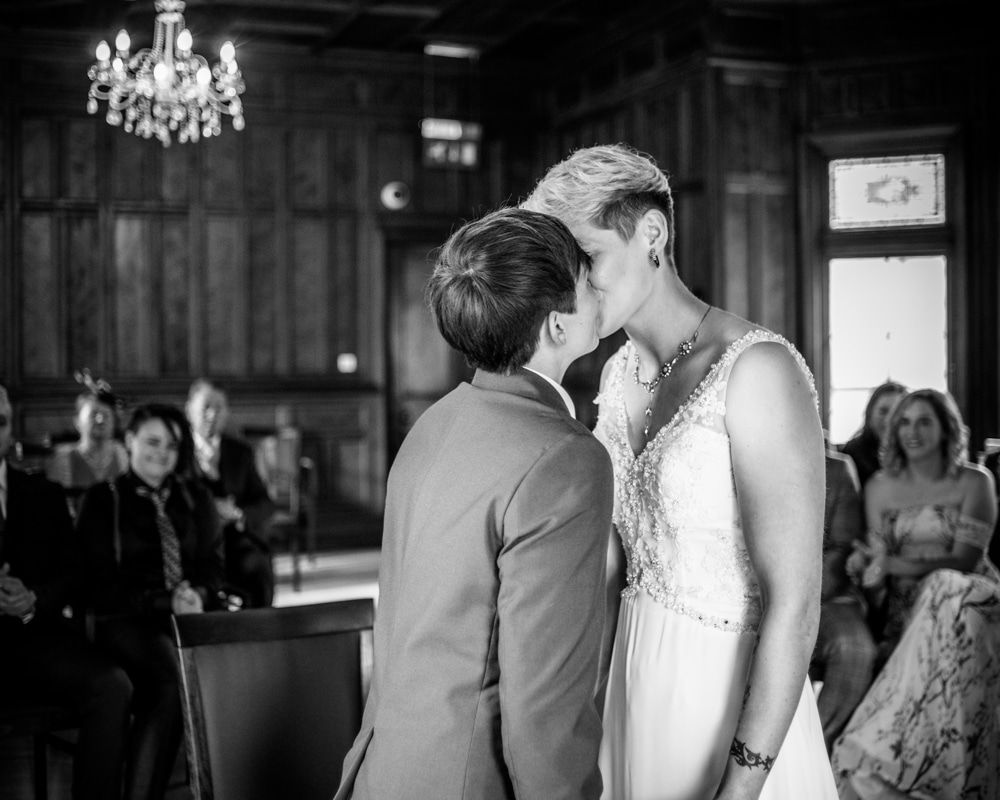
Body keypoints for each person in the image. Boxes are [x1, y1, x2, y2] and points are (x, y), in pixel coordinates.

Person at [523, 143, 836, 800]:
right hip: (630, 692)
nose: (574, 287)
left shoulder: (758, 370)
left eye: (590, 259)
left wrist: (741, 787)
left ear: (653, 235)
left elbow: (796, 606)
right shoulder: (614, 373)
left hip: (725, 702)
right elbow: (609, 567)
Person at [333, 207, 614, 800]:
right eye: (588, 282)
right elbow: (545, 708)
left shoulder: (432, 424)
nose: (601, 290)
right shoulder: (565, 458)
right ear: (557, 326)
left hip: (386, 767)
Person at [831, 389, 1000, 799]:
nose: (912, 431)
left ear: (946, 428)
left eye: (925, 421)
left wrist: (890, 564)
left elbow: (963, 560)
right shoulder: (879, 487)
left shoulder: (976, 480)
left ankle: (902, 751)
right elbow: (876, 562)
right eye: (904, 422)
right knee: (932, 594)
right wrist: (869, 571)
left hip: (972, 600)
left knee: (945, 585)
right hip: (906, 609)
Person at [77, 403, 225, 800]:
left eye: (171, 446)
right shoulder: (103, 500)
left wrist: (200, 594)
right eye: (152, 442)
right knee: (169, 678)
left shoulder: (195, 498)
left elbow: (213, 564)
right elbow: (97, 583)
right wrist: (164, 601)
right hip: (123, 619)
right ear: (130, 441)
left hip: (188, 617)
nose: (162, 452)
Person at [0, 383, 132, 799]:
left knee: (114, 685)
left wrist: (33, 598)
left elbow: (74, 573)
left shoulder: (42, 492)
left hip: (35, 635)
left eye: (0, 420)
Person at [809, 445, 878, 752]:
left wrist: (791, 596)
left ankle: (816, 751)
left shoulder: (837, 470)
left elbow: (841, 551)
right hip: (741, 593)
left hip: (824, 596)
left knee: (855, 648)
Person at [186, 379, 275, 607]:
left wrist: (238, 513)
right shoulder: (176, 452)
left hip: (234, 541)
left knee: (258, 567)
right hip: (192, 543)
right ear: (189, 409)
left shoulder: (240, 452)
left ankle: (261, 631)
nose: (212, 414)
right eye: (206, 406)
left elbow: (264, 503)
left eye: (219, 407)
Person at [46, 377, 129, 515]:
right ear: (77, 421)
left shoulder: (123, 455)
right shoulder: (63, 459)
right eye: (94, 414)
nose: (100, 420)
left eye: (106, 415)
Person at [839, 381, 907, 489]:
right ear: (870, 413)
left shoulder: (913, 453)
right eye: (883, 411)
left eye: (897, 412)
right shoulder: (852, 453)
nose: (889, 420)